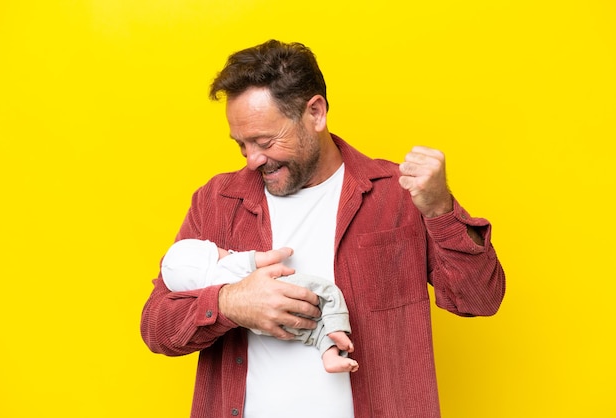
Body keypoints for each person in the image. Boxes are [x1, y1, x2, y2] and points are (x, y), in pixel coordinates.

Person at [140, 39, 506, 418]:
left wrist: (440, 210)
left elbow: (479, 299)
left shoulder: (395, 194)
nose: (252, 160)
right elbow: (156, 325)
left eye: (264, 141)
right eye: (241, 145)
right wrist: (230, 303)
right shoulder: (218, 200)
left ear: (315, 113)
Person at [160, 238, 359, 373]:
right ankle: (337, 328)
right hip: (286, 288)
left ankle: (329, 356)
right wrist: (285, 251)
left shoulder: (207, 289)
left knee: (311, 334)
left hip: (262, 328)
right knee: (328, 293)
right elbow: (269, 258)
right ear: (210, 254)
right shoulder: (230, 262)